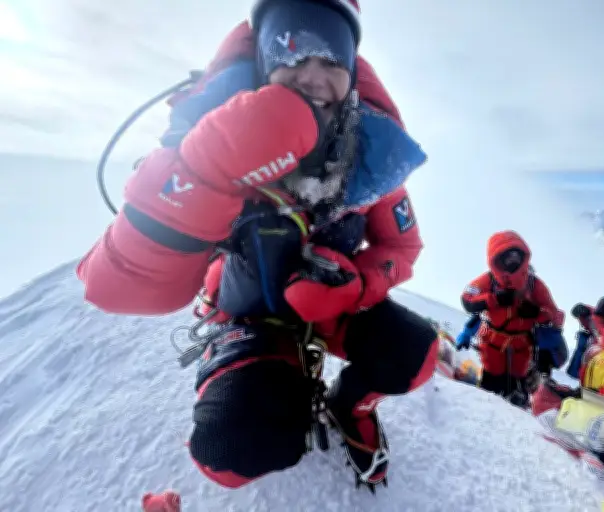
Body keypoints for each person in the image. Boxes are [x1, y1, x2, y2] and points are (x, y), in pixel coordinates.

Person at [77, 0, 438, 492]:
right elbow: (114, 289)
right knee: (234, 449)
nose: (313, 76)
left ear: (352, 71)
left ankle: (347, 405)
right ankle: (264, 372)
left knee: (414, 352)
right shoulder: (212, 136)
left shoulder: (369, 155)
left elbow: (403, 246)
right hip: (244, 307)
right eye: (292, 51)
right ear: (264, 60)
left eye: (331, 58)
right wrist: (205, 171)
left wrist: (356, 285)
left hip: (329, 303)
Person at [460, 230, 564, 407]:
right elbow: (467, 299)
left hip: (521, 346)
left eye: (517, 255)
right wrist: (494, 299)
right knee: (490, 385)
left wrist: (536, 312)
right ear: (496, 259)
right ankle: (483, 414)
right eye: (507, 257)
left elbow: (555, 315)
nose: (513, 261)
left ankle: (517, 416)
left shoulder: (535, 285)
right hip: (492, 343)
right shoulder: (488, 280)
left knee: (518, 387)